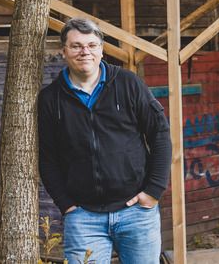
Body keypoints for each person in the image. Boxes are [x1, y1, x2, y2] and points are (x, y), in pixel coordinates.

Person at [38, 17, 172, 263]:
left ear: (101, 49)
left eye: (91, 45)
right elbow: (47, 158)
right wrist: (66, 204)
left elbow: (160, 134)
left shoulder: (128, 83)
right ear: (64, 51)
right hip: (83, 217)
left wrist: (152, 191)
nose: (84, 52)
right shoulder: (50, 99)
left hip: (136, 213)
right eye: (76, 46)